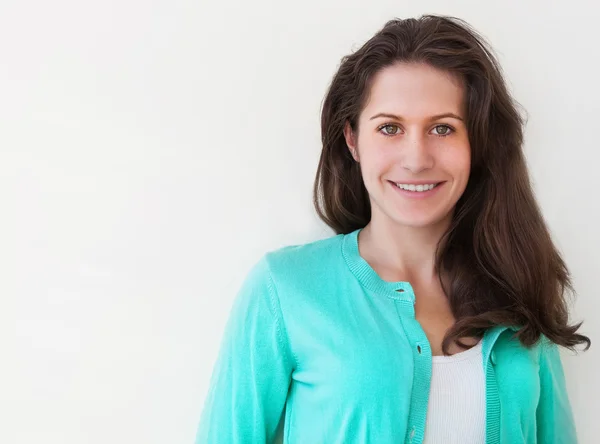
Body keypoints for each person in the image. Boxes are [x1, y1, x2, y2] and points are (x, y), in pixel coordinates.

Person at [195, 15, 591, 444]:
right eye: (390, 128)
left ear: (475, 143)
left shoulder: (520, 283)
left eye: (443, 128)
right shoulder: (285, 289)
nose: (417, 158)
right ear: (352, 140)